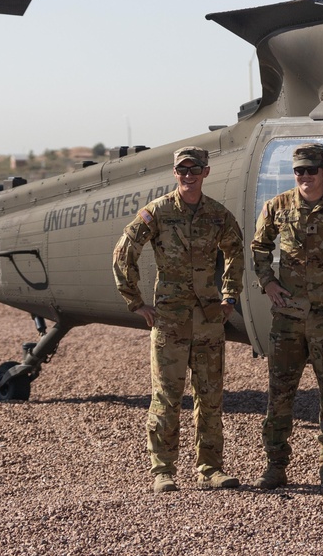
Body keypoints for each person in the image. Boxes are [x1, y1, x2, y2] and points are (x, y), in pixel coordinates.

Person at [112, 146, 244, 494]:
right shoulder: (157, 212)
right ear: (175, 173)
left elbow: (235, 250)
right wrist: (135, 302)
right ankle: (163, 471)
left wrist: (230, 295)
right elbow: (124, 251)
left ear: (206, 172)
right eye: (182, 170)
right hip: (169, 319)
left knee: (210, 397)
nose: (188, 175)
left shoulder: (218, 215)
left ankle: (211, 469)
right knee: (167, 397)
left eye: (195, 169)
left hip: (209, 319)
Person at [249, 143, 323, 490]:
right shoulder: (277, 206)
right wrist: (268, 282)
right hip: (287, 318)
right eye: (299, 171)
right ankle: (275, 465)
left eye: (311, 170)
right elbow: (259, 246)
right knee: (280, 392)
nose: (305, 176)